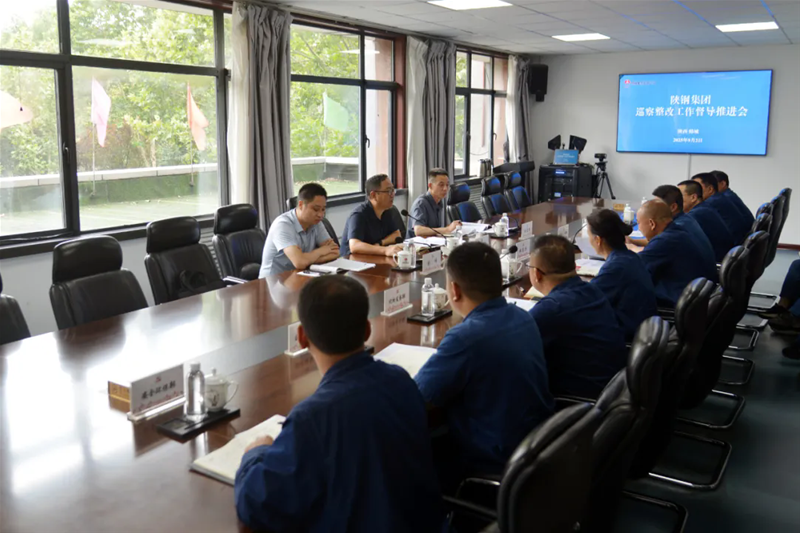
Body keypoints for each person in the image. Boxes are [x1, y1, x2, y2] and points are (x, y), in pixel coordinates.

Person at [235, 276, 444, 532]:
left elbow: (256, 503)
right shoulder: (400, 380)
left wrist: (255, 452)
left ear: (301, 337)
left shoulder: (312, 418)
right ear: (367, 330)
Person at [415, 242, 553, 485]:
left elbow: (417, 397)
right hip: (536, 446)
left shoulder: (466, 338)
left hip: (493, 458)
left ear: (454, 290)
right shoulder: (522, 316)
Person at [528, 234, 627, 399]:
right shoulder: (592, 290)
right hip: (612, 392)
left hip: (582, 403)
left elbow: (517, 351)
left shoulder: (551, 310)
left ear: (536, 274)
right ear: (574, 266)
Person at [587, 209, 657, 340]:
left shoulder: (616, 267)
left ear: (598, 240)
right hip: (640, 329)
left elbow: (585, 301)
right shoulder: (630, 257)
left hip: (624, 336)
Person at [637, 199, 718, 306]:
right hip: (700, 297)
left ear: (652, 224)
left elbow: (634, 268)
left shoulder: (664, 241)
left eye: (638, 223)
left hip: (675, 301)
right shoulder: (679, 231)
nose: (639, 227)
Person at [259, 183, 340, 277]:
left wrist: (307, 260)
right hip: (272, 281)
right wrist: (321, 251)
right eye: (316, 209)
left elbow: (335, 252)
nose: (320, 215)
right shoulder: (283, 225)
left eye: (323, 209)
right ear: (301, 205)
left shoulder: (316, 223)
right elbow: (299, 262)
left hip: (300, 275)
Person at [653, 184, 732, 262]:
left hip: (717, 260)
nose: (679, 199)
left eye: (681, 195)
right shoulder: (688, 218)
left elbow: (660, 244)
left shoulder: (691, 218)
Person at [340, 174, 404, 257]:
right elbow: (354, 246)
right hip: (354, 261)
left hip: (374, 257)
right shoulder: (359, 215)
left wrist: (380, 243)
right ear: (373, 195)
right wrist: (385, 250)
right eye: (388, 191)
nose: (392, 194)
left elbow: (396, 234)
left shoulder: (386, 210)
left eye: (393, 190)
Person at [678, 179, 736, 262]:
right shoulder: (704, 208)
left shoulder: (696, 214)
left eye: (680, 196)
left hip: (716, 261)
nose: (676, 201)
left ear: (693, 197)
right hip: (722, 258)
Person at [693, 172, 750, 244]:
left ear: (710, 189)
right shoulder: (720, 197)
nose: (694, 191)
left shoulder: (711, 203)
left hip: (736, 242)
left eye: (698, 188)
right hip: (739, 241)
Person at [407, 168, 462, 239]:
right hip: (417, 244)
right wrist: (446, 229)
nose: (445, 188)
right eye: (441, 185)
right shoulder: (421, 203)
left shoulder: (439, 202)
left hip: (434, 242)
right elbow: (418, 231)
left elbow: (436, 229)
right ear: (430, 186)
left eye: (447, 185)